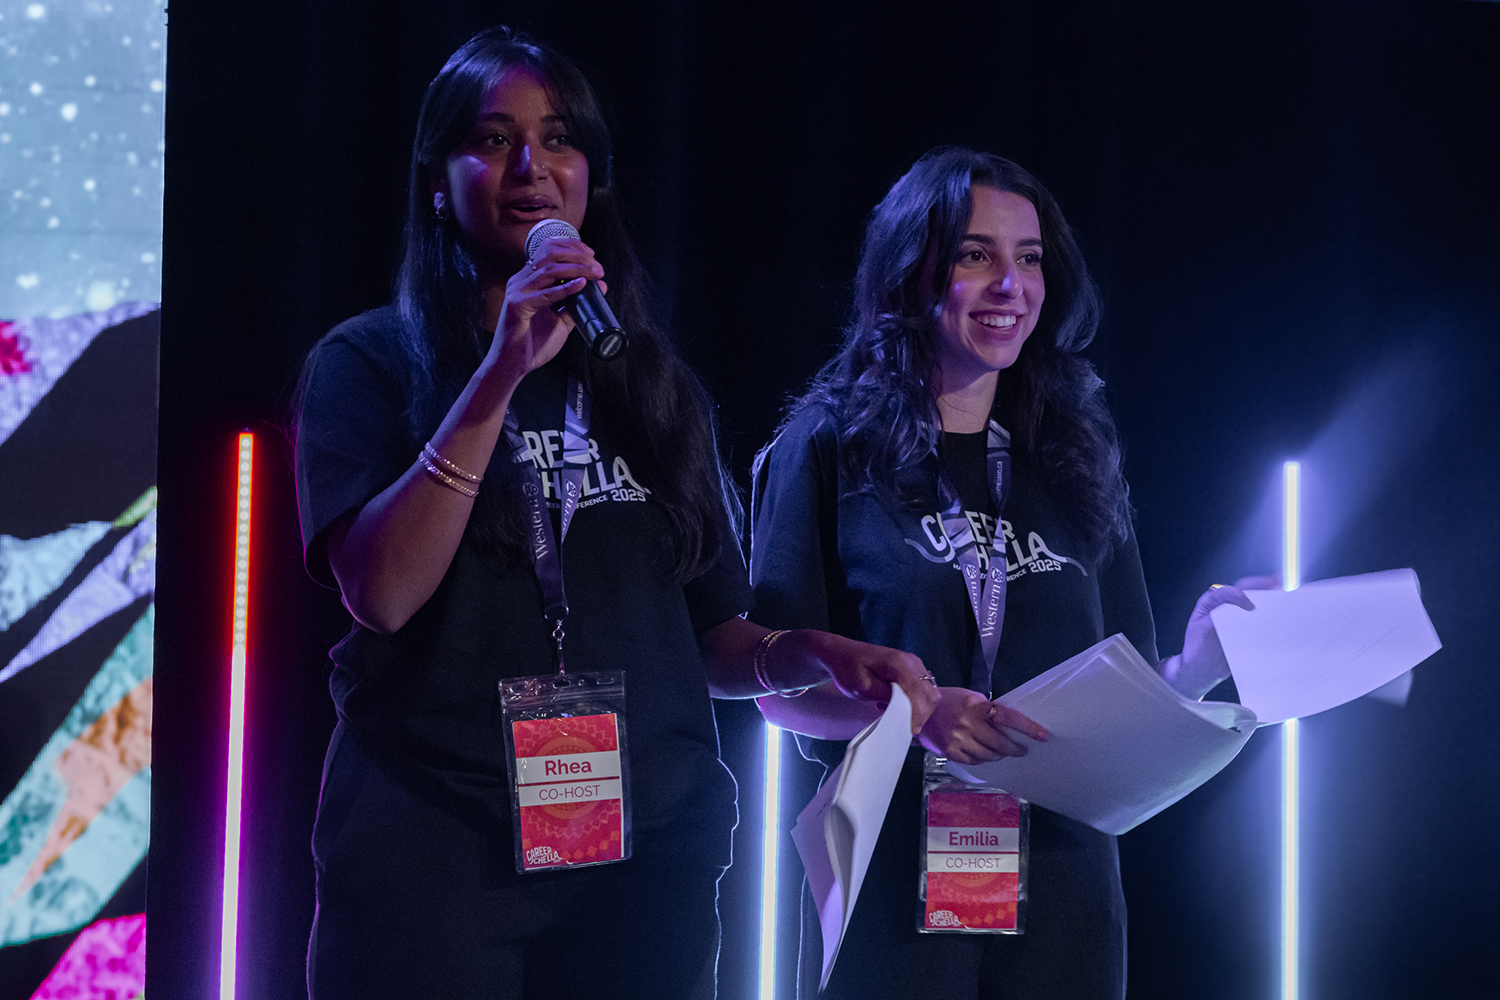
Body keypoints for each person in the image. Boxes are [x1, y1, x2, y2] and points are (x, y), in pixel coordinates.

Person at [293, 27, 937, 1000]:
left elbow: (714, 638)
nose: (531, 166)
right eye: (493, 139)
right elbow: (380, 591)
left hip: (644, 863)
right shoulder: (369, 363)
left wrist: (813, 654)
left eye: (559, 139)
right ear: (437, 183)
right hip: (438, 855)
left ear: (591, 178)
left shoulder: (650, 385)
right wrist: (500, 372)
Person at [750, 147, 1259, 999]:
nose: (1010, 285)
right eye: (975, 255)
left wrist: (1197, 670)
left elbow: (1126, 691)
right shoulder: (830, 449)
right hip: (891, 881)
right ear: (912, 272)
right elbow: (779, 691)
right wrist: (914, 716)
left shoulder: (1072, 457)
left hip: (1065, 887)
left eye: (1029, 259)